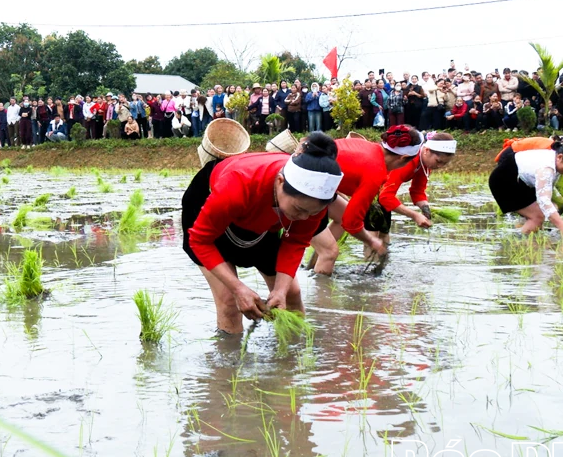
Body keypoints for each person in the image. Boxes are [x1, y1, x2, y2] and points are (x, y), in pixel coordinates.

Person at [181, 132, 342, 334]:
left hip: (264, 219)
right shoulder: (238, 185)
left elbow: (295, 242)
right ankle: (228, 361)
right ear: (280, 182)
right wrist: (238, 288)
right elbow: (200, 240)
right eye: (300, 210)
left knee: (291, 293)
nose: (304, 218)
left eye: (313, 213)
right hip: (210, 211)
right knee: (229, 301)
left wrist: (280, 290)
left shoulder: (311, 202)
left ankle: (294, 357)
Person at [309, 126, 424, 275]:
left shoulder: (369, 146)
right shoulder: (375, 171)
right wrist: (371, 241)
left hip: (318, 184)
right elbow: (351, 223)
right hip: (304, 189)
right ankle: (320, 295)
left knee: (342, 214)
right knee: (330, 252)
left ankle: (310, 267)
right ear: (402, 158)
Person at [363, 131, 457, 267]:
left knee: (384, 234)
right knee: (373, 234)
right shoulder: (406, 160)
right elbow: (385, 197)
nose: (439, 166)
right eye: (438, 161)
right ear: (427, 151)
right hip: (370, 186)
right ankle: (369, 272)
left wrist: (425, 208)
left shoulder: (425, 165)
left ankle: (382, 267)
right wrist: (414, 215)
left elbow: (417, 191)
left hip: (380, 190)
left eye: (444, 164)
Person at [488, 137, 563, 237]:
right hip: (504, 180)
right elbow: (544, 201)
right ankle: (518, 244)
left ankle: (531, 240)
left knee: (542, 213)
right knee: (537, 216)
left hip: (521, 180)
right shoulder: (547, 168)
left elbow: (548, 192)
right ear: (560, 157)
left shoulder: (556, 161)